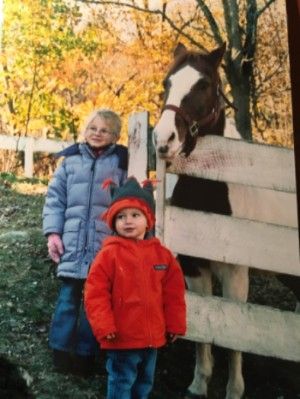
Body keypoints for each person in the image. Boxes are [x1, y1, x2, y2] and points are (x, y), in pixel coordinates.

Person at [42, 108, 128, 376]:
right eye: (93, 128)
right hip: (71, 242)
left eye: (104, 130)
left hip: (104, 247)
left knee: (95, 302)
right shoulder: (70, 162)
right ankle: (60, 350)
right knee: (68, 298)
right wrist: (53, 234)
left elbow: (127, 204)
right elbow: (55, 199)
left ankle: (85, 355)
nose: (97, 133)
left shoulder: (120, 164)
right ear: (85, 130)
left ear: (114, 136)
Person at [84, 177, 186, 398]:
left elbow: (174, 294)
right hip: (121, 338)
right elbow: (95, 294)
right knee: (122, 382)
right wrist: (104, 326)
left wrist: (175, 324)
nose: (128, 221)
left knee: (144, 383)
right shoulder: (108, 255)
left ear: (148, 220)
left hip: (152, 338)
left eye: (135, 215)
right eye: (121, 217)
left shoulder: (163, 256)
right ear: (113, 222)